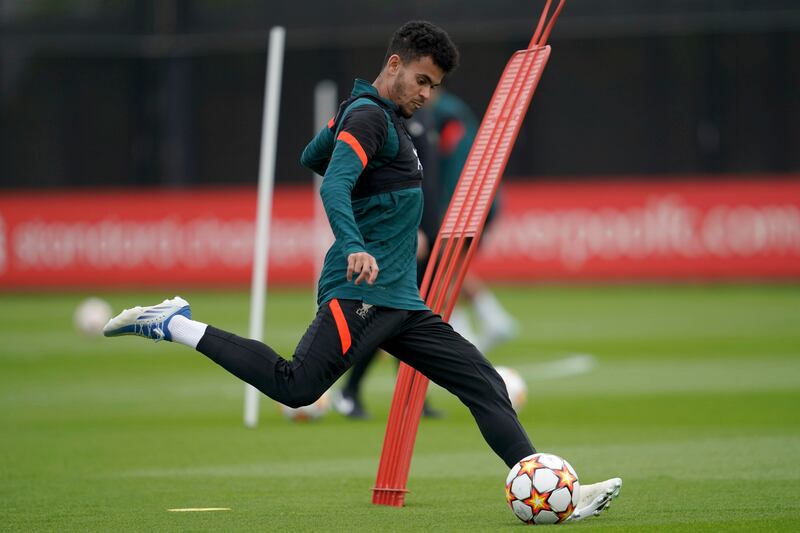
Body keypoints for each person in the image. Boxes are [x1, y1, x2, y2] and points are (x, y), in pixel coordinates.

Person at [103, 20, 620, 519]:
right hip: (362, 289)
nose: (426, 94)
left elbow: (313, 154)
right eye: (422, 80)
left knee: (483, 382)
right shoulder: (370, 117)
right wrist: (355, 242)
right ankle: (175, 322)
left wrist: (347, 135)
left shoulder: (375, 116)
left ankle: (556, 494)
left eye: (434, 86)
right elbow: (331, 183)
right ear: (394, 64)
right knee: (297, 386)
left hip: (401, 300)